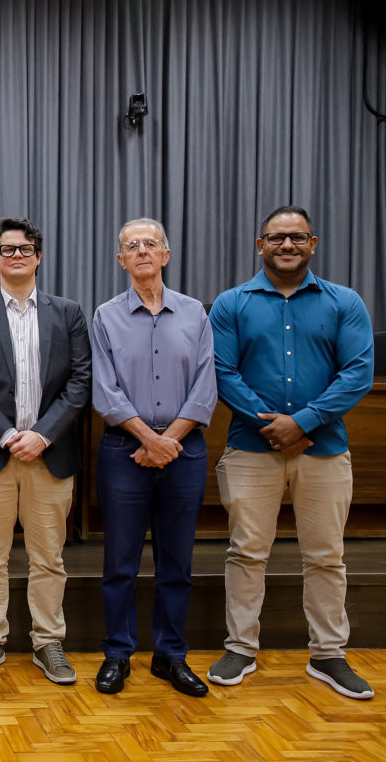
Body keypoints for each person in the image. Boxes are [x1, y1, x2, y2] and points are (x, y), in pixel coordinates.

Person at [207, 206, 375, 699]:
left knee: (326, 556)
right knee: (246, 552)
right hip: (250, 450)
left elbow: (358, 373)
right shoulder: (231, 303)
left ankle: (328, 654)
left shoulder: (344, 302)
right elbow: (221, 372)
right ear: (260, 244)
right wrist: (274, 427)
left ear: (313, 243)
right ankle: (240, 647)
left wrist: (302, 423)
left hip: (324, 450)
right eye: (277, 237)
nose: (287, 245)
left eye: (297, 237)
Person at [0, 217, 91, 685]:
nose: (16, 256)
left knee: (49, 558)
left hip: (50, 455)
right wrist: (9, 434)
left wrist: (42, 434)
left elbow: (80, 381)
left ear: (38, 256)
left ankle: (48, 642)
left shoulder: (68, 313)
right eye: (7, 249)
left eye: (25, 249)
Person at [90, 219, 216, 697]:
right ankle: (117, 653)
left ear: (166, 254)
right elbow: (105, 390)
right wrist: (148, 438)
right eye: (132, 245)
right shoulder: (105, 316)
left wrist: (168, 441)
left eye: (150, 244)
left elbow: (206, 384)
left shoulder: (195, 313)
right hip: (125, 450)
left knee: (176, 562)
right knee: (119, 562)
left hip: (185, 451)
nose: (141, 250)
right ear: (121, 260)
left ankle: (170, 656)